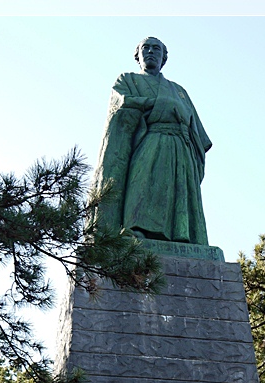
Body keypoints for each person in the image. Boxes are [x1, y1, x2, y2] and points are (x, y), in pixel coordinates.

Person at [91, 37, 212, 246]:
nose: (150, 52)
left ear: (163, 58)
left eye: (156, 49)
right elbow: (122, 104)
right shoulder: (127, 80)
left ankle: (181, 234)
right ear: (137, 56)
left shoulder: (179, 91)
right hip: (149, 139)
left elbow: (198, 133)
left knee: (178, 191)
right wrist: (159, 104)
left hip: (181, 147)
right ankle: (136, 229)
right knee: (143, 182)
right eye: (145, 48)